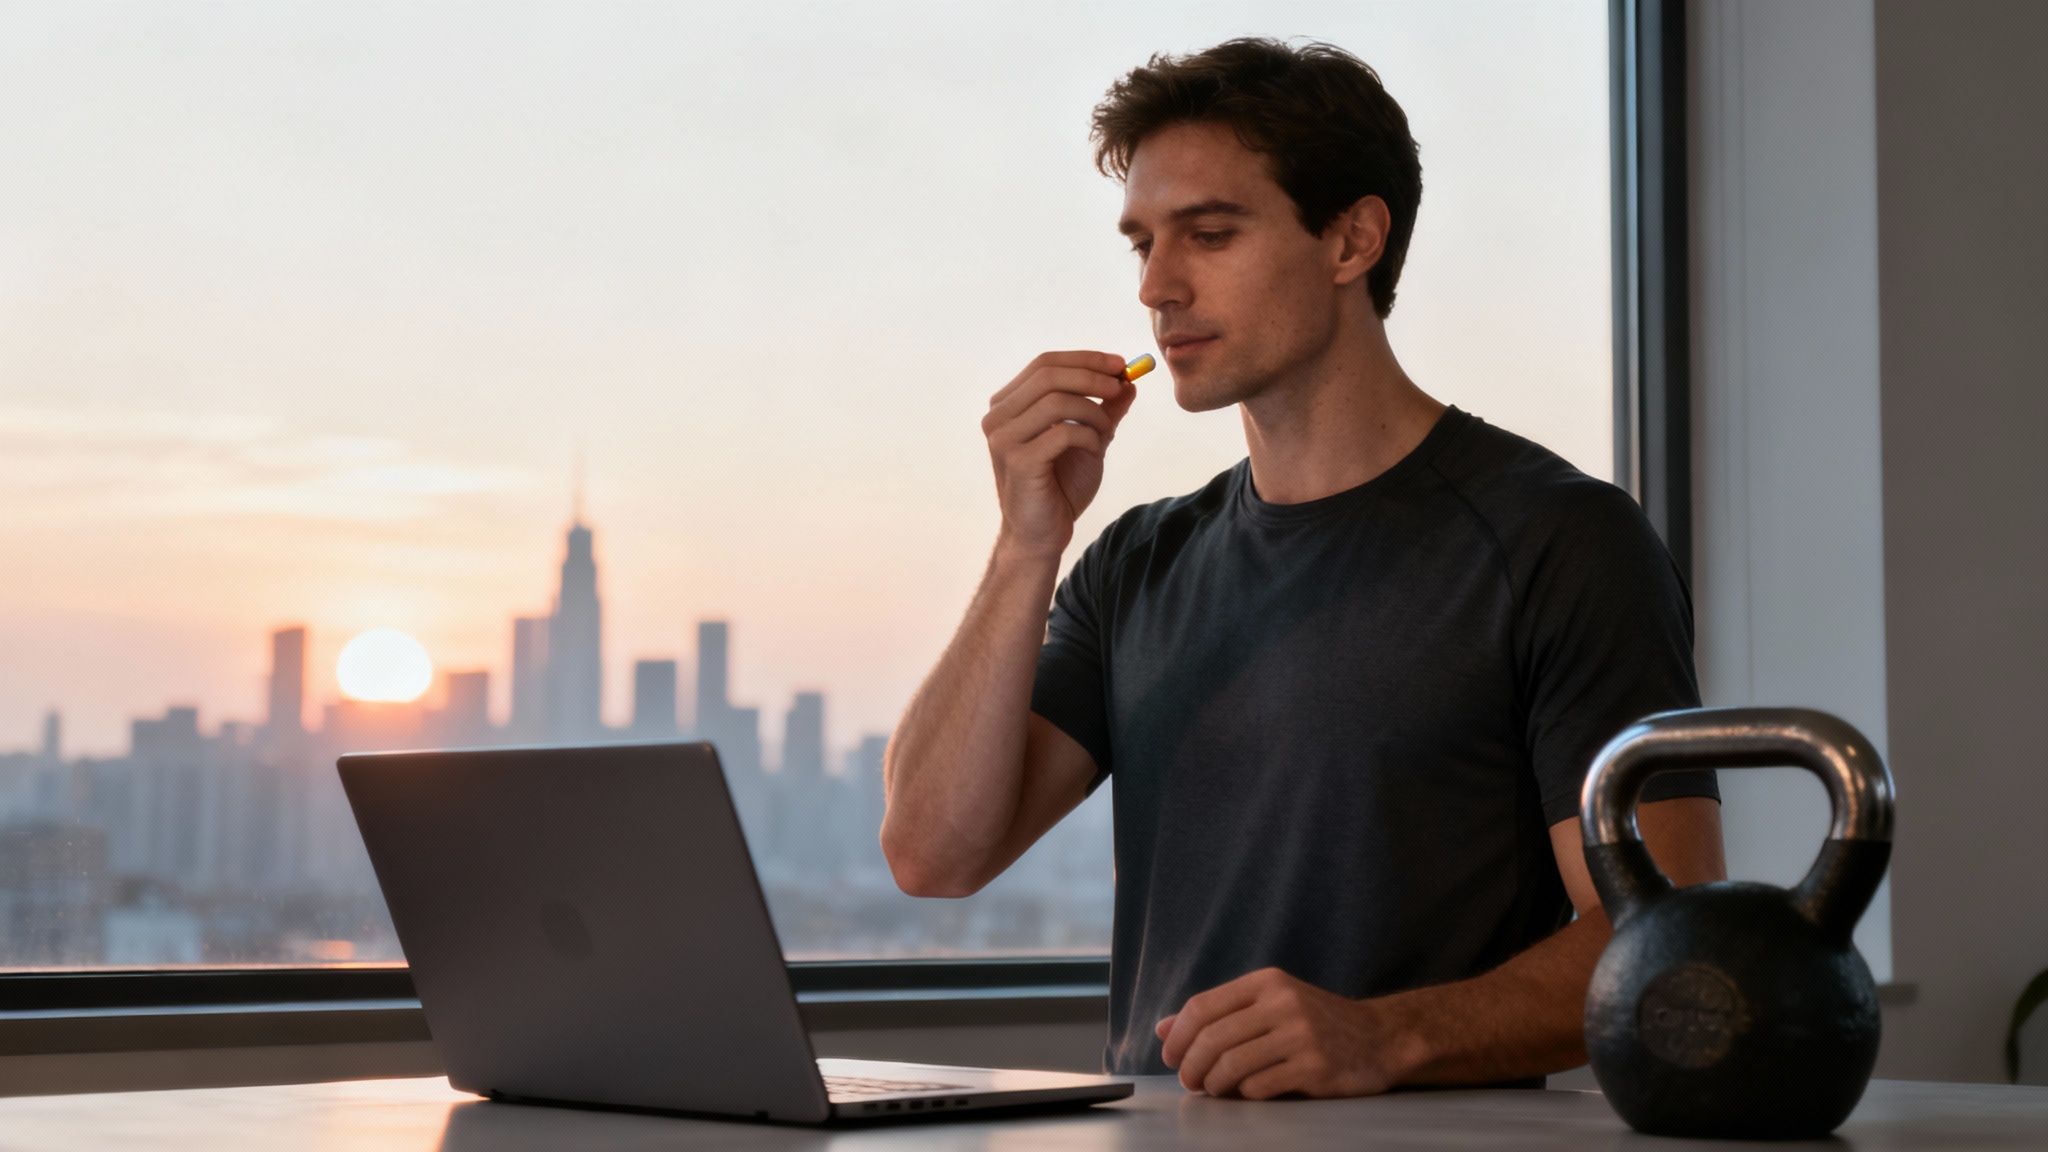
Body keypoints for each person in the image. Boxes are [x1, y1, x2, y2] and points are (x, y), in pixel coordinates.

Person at [880, 37, 1727, 1099]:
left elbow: (1669, 937)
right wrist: (1024, 545)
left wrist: (1384, 1036)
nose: (1155, 285)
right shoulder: (1136, 561)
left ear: (1349, 241)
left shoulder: (1558, 539)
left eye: (1209, 234)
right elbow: (931, 854)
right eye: (1141, 242)